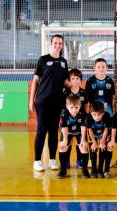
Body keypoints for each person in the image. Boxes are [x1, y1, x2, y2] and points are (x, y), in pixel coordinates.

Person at [29, 34, 70, 172]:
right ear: (51, 44)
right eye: (55, 43)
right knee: (41, 130)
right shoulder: (43, 60)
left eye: (60, 43)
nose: (58, 45)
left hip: (57, 101)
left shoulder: (64, 62)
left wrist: (75, 84)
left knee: (53, 131)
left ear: (62, 45)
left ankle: (52, 159)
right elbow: (35, 81)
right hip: (42, 101)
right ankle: (37, 161)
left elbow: (65, 82)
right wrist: (31, 100)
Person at [57, 95, 89, 179]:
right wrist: (65, 140)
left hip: (79, 132)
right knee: (62, 147)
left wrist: (83, 140)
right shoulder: (64, 114)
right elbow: (64, 127)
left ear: (80, 106)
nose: (74, 110)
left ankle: (85, 170)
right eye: (71, 107)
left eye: (76, 107)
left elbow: (83, 128)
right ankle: (63, 169)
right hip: (68, 132)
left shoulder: (83, 114)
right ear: (67, 106)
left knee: (84, 147)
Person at [62, 68, 88, 169]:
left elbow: (85, 106)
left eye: (77, 78)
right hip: (68, 122)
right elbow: (64, 107)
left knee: (80, 142)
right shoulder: (66, 92)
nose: (75, 80)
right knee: (67, 142)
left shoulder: (83, 93)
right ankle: (67, 160)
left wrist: (83, 117)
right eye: (73, 78)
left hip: (80, 122)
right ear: (69, 80)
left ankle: (79, 160)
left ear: (80, 80)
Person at [86, 102, 112, 178]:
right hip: (93, 134)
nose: (96, 117)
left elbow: (106, 130)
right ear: (91, 113)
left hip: (103, 133)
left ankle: (100, 169)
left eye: (99, 115)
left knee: (103, 148)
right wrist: (94, 142)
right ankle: (94, 169)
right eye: (94, 115)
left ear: (103, 113)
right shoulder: (88, 117)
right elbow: (89, 130)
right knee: (93, 148)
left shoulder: (107, 116)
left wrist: (102, 142)